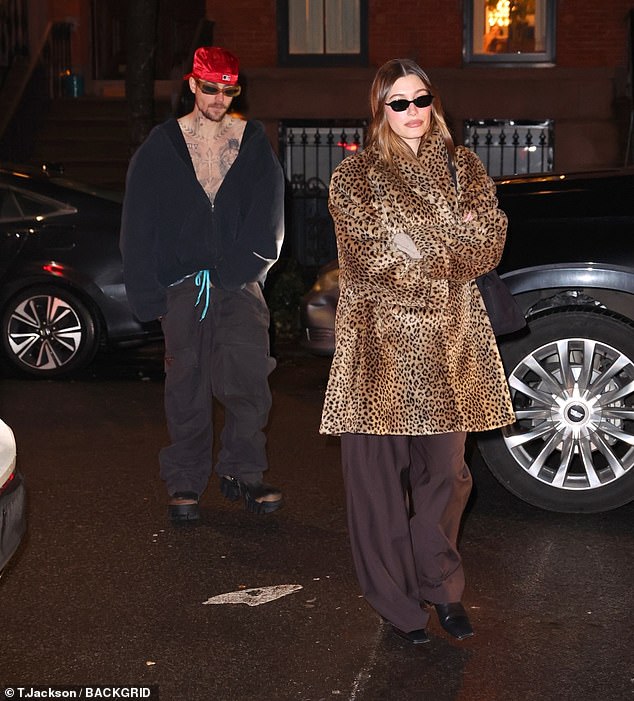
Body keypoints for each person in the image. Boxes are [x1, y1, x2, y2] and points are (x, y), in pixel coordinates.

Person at [320, 58, 515, 644]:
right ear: (380, 109)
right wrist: (445, 246)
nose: (412, 112)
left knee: (449, 480)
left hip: (452, 350)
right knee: (378, 492)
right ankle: (398, 605)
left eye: (420, 99)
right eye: (398, 102)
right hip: (378, 355)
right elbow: (372, 260)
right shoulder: (352, 178)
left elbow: (490, 243)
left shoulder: (464, 166)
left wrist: (419, 247)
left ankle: (442, 588)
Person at [120, 46, 285, 523]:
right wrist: (148, 292)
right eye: (210, 88)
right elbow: (139, 222)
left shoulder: (252, 141)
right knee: (186, 385)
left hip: (238, 285)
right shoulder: (161, 145)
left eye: (228, 90)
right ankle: (185, 483)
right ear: (192, 84)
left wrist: (247, 268)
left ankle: (244, 474)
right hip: (181, 285)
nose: (218, 98)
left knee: (249, 379)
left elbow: (269, 212)